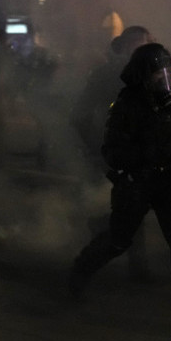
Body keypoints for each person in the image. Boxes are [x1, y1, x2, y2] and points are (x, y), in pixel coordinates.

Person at [68, 42, 171, 322]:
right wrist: (144, 151)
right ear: (144, 74)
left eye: (167, 71)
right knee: (118, 240)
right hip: (137, 180)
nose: (165, 77)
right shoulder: (127, 105)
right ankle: (79, 272)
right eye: (158, 72)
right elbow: (112, 151)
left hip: (168, 178)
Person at [68, 25, 156, 280]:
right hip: (111, 154)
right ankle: (86, 267)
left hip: (137, 154)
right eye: (137, 45)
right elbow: (80, 115)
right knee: (107, 209)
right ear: (125, 48)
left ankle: (137, 265)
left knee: (135, 206)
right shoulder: (106, 74)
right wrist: (97, 146)